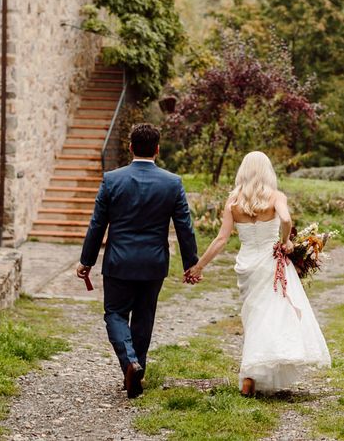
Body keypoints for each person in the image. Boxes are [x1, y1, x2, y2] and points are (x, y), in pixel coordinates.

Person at [183, 151, 330, 395]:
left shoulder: (234, 201)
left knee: (255, 316)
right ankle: (255, 370)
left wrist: (199, 266)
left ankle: (252, 374)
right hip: (271, 263)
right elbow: (285, 218)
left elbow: (221, 239)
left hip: (248, 263)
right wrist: (286, 242)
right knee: (272, 315)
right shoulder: (276, 197)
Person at [76, 123, 199, 399]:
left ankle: (130, 363)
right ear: (158, 149)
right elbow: (184, 227)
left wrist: (87, 260)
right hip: (153, 264)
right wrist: (191, 262)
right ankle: (136, 371)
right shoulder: (172, 183)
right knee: (144, 317)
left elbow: (98, 224)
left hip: (119, 262)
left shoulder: (112, 180)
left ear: (130, 147)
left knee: (115, 314)